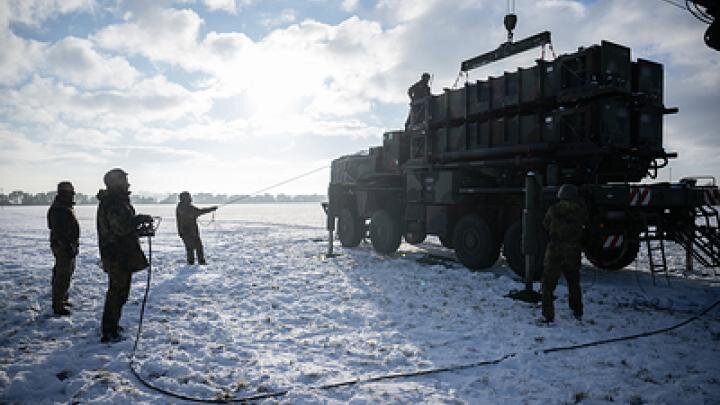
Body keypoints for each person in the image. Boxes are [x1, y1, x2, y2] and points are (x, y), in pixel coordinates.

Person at [96, 168, 151, 343]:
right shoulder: (113, 202)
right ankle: (109, 331)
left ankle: (112, 325)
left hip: (121, 253)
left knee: (120, 292)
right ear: (115, 182)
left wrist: (138, 229)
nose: (128, 183)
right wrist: (138, 220)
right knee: (117, 292)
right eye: (124, 180)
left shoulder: (118, 201)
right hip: (116, 255)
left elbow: (123, 229)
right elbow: (120, 228)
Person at [541, 184, 588, 323]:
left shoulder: (553, 210)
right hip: (573, 250)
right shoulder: (580, 210)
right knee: (573, 282)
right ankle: (577, 311)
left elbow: (545, 224)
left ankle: (548, 316)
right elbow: (586, 219)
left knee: (548, 285)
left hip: (555, 250)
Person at [47, 181, 80, 316]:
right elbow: (59, 231)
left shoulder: (64, 207)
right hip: (63, 247)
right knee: (62, 275)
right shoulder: (59, 209)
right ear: (62, 194)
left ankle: (62, 299)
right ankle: (58, 305)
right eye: (70, 193)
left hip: (67, 246)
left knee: (66, 273)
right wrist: (67, 246)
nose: (72, 195)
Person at [176, 191, 217, 265]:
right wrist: (210, 209)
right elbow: (196, 212)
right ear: (184, 198)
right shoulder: (181, 207)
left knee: (199, 246)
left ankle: (201, 262)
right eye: (188, 197)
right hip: (185, 232)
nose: (190, 198)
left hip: (193, 231)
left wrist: (211, 209)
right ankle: (191, 264)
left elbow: (198, 211)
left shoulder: (188, 206)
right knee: (190, 248)